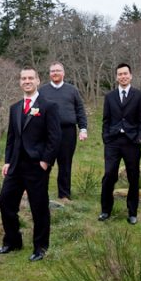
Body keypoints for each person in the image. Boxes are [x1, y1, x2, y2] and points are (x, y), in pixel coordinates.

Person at [0, 68, 61, 261]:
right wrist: (7, 161)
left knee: (38, 207)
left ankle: (40, 247)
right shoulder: (15, 108)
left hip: (36, 166)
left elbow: (54, 138)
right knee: (5, 200)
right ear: (19, 82)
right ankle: (12, 242)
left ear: (38, 80)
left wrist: (45, 162)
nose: (27, 81)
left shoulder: (48, 106)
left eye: (30, 78)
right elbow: (11, 137)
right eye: (23, 78)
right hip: (15, 166)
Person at [100, 63, 141, 224]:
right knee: (109, 175)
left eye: (125, 73)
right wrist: (106, 137)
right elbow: (106, 120)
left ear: (131, 75)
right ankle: (105, 210)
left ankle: (132, 212)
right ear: (116, 77)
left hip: (132, 142)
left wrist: (140, 138)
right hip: (113, 142)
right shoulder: (110, 96)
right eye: (120, 74)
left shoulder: (139, 95)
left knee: (133, 177)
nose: (123, 76)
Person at [37, 62, 88, 200]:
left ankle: (64, 195)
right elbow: (36, 111)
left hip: (68, 132)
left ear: (63, 73)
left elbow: (80, 111)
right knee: (44, 163)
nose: (55, 73)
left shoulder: (72, 90)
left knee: (65, 164)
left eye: (58, 70)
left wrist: (83, 129)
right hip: (47, 132)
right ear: (49, 74)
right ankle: (40, 194)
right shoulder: (42, 91)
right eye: (52, 71)